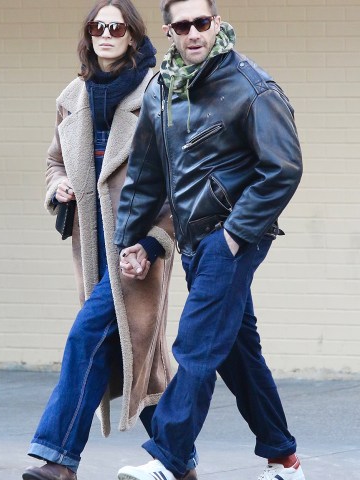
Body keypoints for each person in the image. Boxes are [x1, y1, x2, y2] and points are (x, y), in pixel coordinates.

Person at [114, 0, 305, 479]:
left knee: (197, 344)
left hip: (234, 235)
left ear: (216, 23)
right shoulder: (161, 90)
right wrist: (130, 240)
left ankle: (168, 458)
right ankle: (284, 459)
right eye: (183, 25)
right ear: (169, 31)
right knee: (239, 354)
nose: (194, 32)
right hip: (194, 241)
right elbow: (144, 174)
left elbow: (282, 168)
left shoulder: (249, 85)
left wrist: (237, 235)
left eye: (203, 22)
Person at [22, 1, 198, 479]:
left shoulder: (159, 93)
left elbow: (183, 182)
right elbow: (54, 162)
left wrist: (158, 242)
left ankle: (58, 460)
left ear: (133, 35)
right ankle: (179, 462)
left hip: (138, 251)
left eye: (116, 26)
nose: (105, 34)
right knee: (135, 361)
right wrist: (56, 188)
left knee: (88, 338)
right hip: (93, 249)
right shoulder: (71, 97)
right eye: (97, 26)